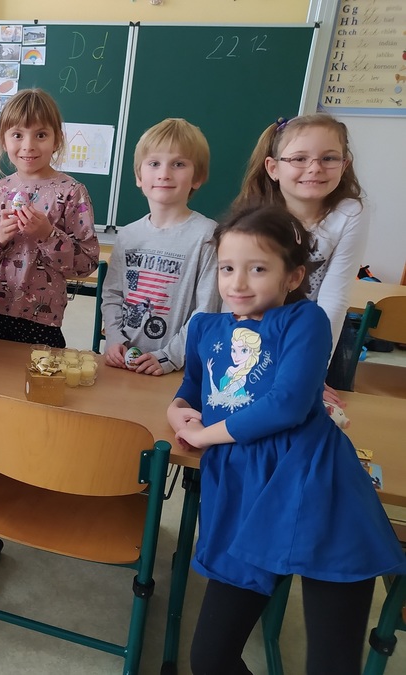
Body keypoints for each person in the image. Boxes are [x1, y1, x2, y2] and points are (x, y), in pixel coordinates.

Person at [167, 205, 406, 675]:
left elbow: (286, 405)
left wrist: (203, 434)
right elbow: (192, 388)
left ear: (293, 276)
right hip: (240, 493)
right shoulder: (204, 328)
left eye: (258, 269)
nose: (238, 283)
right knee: (210, 659)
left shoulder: (304, 320)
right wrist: (176, 411)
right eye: (227, 268)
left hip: (315, 488)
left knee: (332, 665)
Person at [231, 114, 367, 391]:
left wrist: (313, 371)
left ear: (344, 165)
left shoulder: (350, 213)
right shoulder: (256, 217)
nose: (315, 168)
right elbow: (237, 295)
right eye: (299, 158)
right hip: (256, 331)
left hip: (318, 336)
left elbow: (334, 298)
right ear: (273, 168)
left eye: (328, 158)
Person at [0, 88, 98, 347]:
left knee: (39, 372)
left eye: (40, 135)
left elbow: (87, 263)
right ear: (3, 140)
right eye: (18, 135)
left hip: (44, 317)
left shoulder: (72, 192)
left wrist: (48, 236)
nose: (28, 145)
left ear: (57, 139)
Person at [101, 118, 220, 375]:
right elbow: (112, 294)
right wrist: (114, 339)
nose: (164, 174)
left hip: (177, 370)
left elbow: (206, 309)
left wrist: (169, 357)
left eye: (178, 164)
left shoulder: (207, 236)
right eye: (154, 163)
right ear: (139, 176)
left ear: (198, 177)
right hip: (123, 364)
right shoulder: (128, 235)